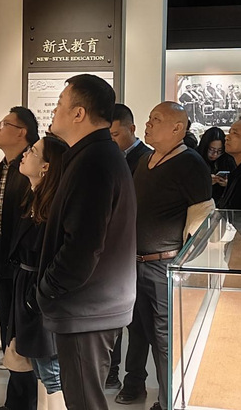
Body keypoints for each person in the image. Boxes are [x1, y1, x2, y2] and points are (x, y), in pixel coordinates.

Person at [37, 74, 137, 410]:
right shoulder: (94, 155)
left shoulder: (93, 161)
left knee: (83, 400)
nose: (54, 111)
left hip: (87, 306)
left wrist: (49, 287)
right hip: (93, 303)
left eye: (60, 104)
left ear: (79, 113)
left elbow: (82, 245)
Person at [126, 102, 213, 410]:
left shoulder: (191, 163)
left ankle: (170, 402)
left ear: (178, 128)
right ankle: (161, 396)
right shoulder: (145, 160)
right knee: (147, 334)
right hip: (137, 264)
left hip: (165, 266)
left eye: (156, 119)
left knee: (167, 339)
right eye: (149, 118)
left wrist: (183, 265)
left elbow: (202, 221)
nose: (148, 124)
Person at [0, 106, 39, 410]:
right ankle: (15, 400)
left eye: (4, 124)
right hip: (2, 264)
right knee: (7, 330)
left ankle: (24, 401)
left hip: (25, 265)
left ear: (22, 132)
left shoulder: (31, 168)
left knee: (22, 335)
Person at [12, 135, 69, 410]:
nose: (25, 154)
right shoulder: (34, 198)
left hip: (42, 292)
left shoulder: (54, 205)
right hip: (28, 288)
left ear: (46, 166)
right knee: (39, 367)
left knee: (50, 370)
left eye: (32, 151)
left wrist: (41, 293)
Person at [107, 103, 151, 391]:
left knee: (137, 323)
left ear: (131, 129)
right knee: (111, 316)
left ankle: (134, 380)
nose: (111, 140)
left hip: (138, 249)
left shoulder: (146, 159)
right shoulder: (108, 157)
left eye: (115, 134)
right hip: (113, 250)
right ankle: (110, 371)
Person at [197, 126, 236, 202]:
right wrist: (204, 182)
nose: (215, 154)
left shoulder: (228, 159)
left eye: (219, 151)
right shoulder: (195, 158)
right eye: (211, 150)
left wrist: (227, 184)